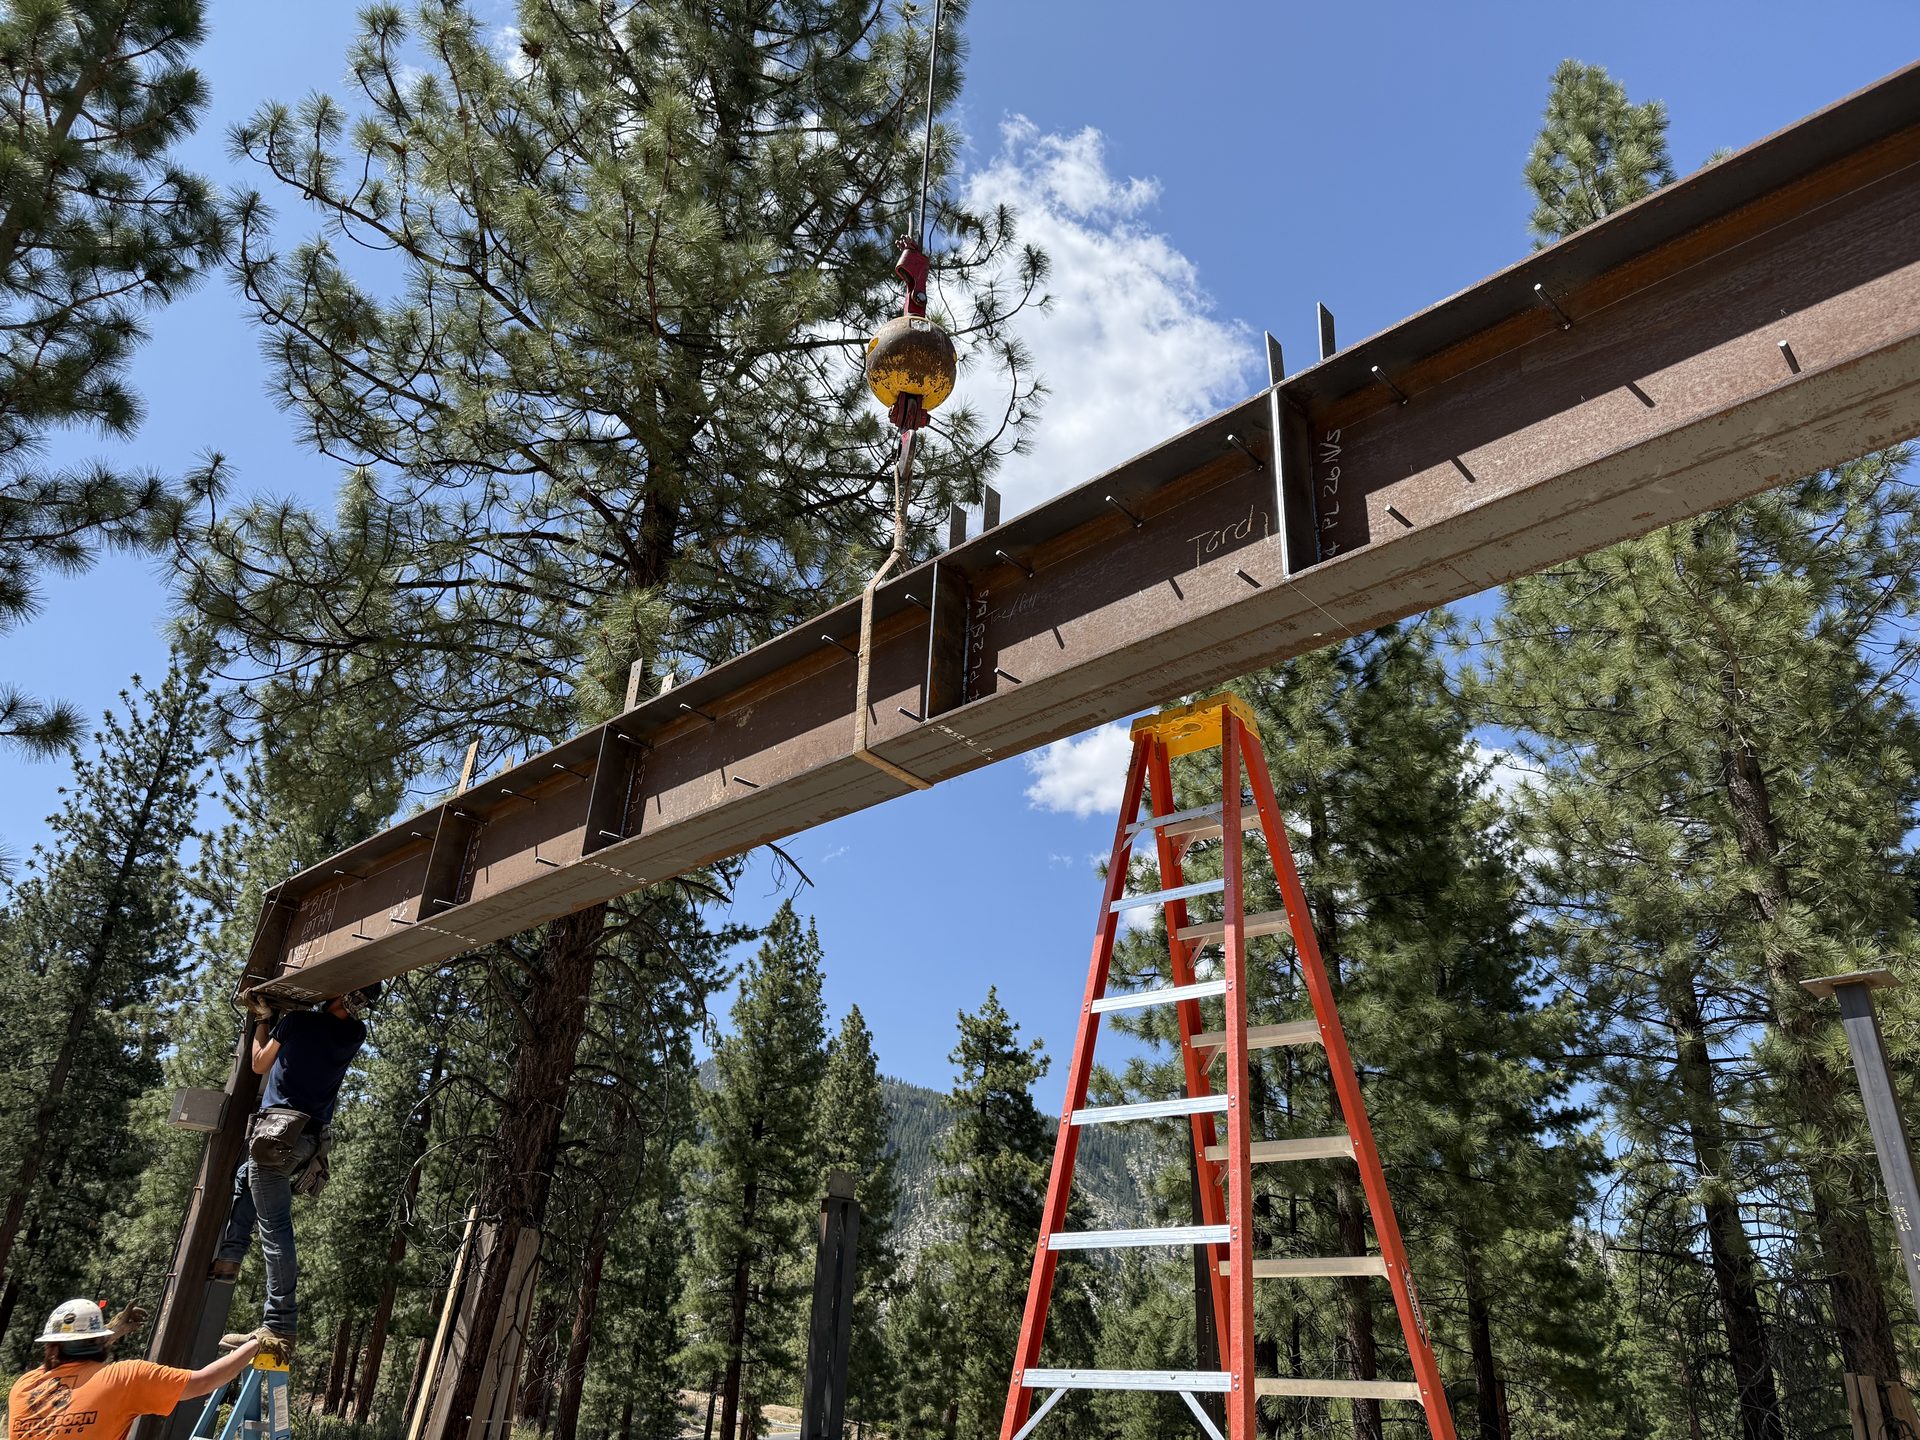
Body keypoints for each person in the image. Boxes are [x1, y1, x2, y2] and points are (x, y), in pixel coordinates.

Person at [211, 984, 379, 1352]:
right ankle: (230, 1257)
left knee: (275, 1229)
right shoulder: (355, 1034)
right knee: (246, 1177)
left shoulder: (299, 1023)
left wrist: (264, 1021)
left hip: (276, 1135)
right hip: (308, 1142)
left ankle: (279, 1323)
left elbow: (258, 1063)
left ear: (339, 996)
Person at [5, 1298, 260, 1440]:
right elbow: (203, 1381)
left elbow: (73, 1365)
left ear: (50, 1345)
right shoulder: (124, 1378)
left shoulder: (23, 1387)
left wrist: (112, 1331)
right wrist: (256, 1344)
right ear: (98, 1340)